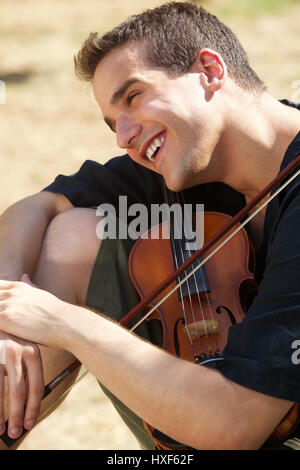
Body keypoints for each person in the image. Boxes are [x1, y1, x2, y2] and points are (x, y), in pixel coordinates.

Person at [0, 1, 300, 450]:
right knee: (67, 237)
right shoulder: (190, 161)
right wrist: (7, 309)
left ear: (210, 71)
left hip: (243, 420)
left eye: (134, 97)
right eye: (111, 123)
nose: (123, 136)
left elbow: (237, 426)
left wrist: (62, 322)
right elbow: (37, 207)